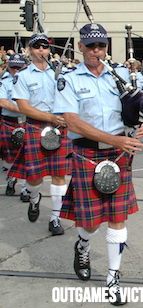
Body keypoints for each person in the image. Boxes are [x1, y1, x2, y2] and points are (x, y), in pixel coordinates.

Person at [55, 23, 143, 306]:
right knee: (90, 223)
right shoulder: (69, 80)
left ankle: (113, 278)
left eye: (100, 46)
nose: (95, 51)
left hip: (118, 155)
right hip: (87, 154)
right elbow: (72, 122)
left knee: (117, 218)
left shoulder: (120, 75)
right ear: (80, 47)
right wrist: (114, 140)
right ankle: (83, 245)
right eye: (90, 46)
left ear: (106, 47)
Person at [9, 33, 72, 236]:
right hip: (36, 126)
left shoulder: (59, 73)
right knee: (34, 178)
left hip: (59, 127)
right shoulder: (23, 76)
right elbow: (23, 107)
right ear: (30, 50)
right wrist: (50, 117)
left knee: (59, 175)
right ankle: (34, 198)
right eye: (37, 47)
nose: (41, 50)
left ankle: (55, 218)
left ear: (49, 50)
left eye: (44, 47)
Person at [1, 54, 27, 197]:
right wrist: (23, 109)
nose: (16, 70)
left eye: (19, 67)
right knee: (9, 158)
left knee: (26, 156)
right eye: (13, 67)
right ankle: (11, 179)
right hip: (9, 121)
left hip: (26, 122)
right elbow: (3, 102)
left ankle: (25, 189)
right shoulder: (5, 81)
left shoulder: (29, 80)